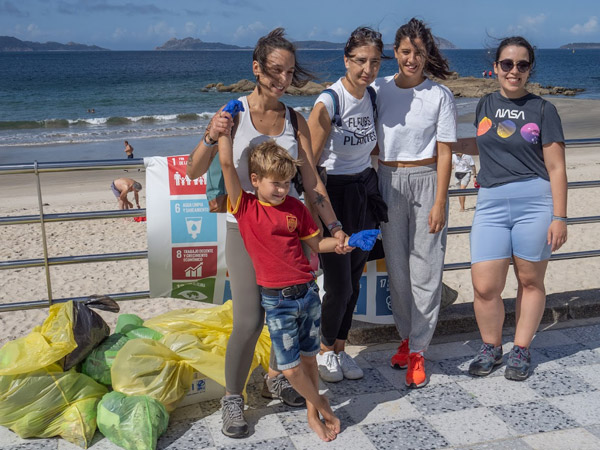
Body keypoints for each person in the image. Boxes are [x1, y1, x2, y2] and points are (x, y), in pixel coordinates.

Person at [186, 28, 346, 438]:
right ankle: (233, 399)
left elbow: (310, 182)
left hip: (289, 229)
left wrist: (333, 226)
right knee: (250, 319)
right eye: (275, 70)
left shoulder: (295, 119)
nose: (282, 79)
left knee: (290, 306)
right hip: (243, 229)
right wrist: (210, 133)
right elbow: (194, 169)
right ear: (256, 68)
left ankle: (275, 377)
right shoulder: (233, 113)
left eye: (290, 72)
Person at [219, 132, 369, 441]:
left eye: (286, 183)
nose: (282, 189)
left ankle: (312, 415)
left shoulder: (296, 208)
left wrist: (347, 242)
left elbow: (316, 244)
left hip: (308, 294)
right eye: (275, 183)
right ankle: (322, 403)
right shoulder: (244, 206)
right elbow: (225, 163)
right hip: (277, 302)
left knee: (309, 360)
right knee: (289, 369)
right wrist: (223, 133)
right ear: (255, 179)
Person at [457, 36, 567, 381]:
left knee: (529, 280)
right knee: (485, 286)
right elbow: (483, 144)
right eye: (507, 64)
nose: (514, 70)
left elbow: (557, 168)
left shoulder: (544, 110)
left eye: (521, 65)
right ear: (495, 68)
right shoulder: (485, 104)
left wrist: (560, 217)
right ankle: (491, 346)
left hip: (535, 204)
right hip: (490, 203)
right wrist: (437, 150)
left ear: (529, 69)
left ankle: (521, 348)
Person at [371, 18, 456, 389]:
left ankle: (419, 349)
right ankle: (406, 337)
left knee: (426, 269)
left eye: (419, 52)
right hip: (386, 181)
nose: (412, 59)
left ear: (427, 54)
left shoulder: (439, 95)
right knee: (399, 272)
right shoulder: (378, 89)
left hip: (426, 182)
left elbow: (445, 152)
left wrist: (440, 201)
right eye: (406, 51)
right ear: (395, 52)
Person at [307, 27, 388, 383]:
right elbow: (307, 163)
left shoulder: (371, 97)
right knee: (338, 285)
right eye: (360, 61)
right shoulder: (329, 102)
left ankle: (340, 349)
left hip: (364, 194)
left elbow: (370, 147)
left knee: (354, 281)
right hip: (333, 197)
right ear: (346, 60)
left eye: (373, 62)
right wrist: (317, 217)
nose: (367, 69)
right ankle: (325, 353)